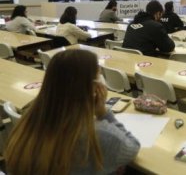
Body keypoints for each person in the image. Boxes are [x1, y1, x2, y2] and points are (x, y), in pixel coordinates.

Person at [4, 49, 140, 174]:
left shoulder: (29, 118)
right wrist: (102, 112)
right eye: (99, 75)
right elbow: (132, 147)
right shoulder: (99, 134)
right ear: (93, 87)